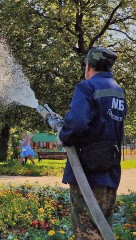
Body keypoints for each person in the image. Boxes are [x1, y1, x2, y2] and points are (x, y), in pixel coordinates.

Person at [58, 47, 127, 239]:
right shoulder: (118, 92)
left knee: (87, 231)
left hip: (87, 174)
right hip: (110, 172)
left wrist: (63, 135)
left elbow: (78, 122)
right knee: (103, 228)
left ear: (89, 66)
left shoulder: (87, 87)